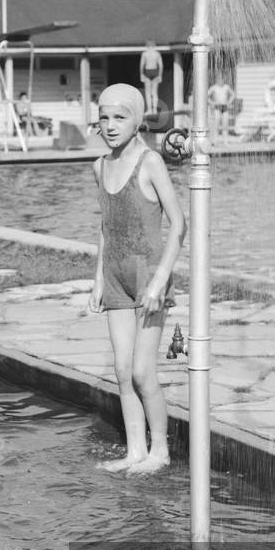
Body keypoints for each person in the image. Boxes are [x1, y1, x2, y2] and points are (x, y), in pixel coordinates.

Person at [90, 83, 186, 475]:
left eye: (120, 116)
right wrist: (97, 278)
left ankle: (159, 450)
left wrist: (160, 280)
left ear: (137, 120)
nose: (110, 126)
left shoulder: (150, 163)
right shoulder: (100, 167)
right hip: (114, 276)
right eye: (104, 117)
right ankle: (134, 450)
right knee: (122, 369)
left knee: (144, 371)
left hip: (148, 276)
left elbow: (179, 224)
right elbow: (104, 226)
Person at [139, 40, 165, 116]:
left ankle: (150, 110)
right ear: (154, 46)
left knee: (148, 93)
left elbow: (141, 65)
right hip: (155, 71)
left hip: (147, 71)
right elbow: (161, 65)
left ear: (147, 46)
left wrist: (141, 74)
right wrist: (160, 75)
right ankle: (155, 110)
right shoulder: (157, 53)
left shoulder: (145, 53)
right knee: (154, 93)